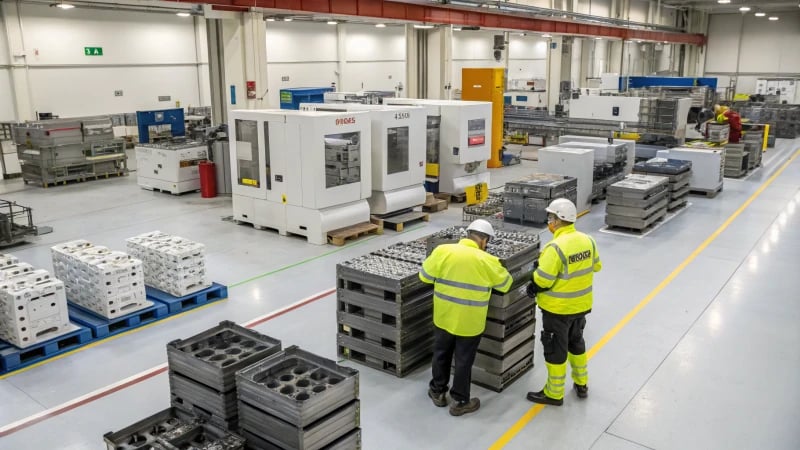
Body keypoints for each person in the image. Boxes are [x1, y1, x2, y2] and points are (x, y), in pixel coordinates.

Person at [420, 219, 512, 416]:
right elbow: (506, 284)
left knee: (441, 353)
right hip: (470, 322)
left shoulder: (443, 251)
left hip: (444, 316)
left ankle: (437, 391)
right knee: (463, 360)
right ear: (484, 241)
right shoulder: (486, 260)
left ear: (467, 234)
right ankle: (460, 401)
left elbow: (424, 276)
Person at [526, 198, 601, 406]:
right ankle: (581, 383)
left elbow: (543, 279)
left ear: (558, 220)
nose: (549, 221)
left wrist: (533, 281)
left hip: (558, 310)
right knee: (576, 343)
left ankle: (554, 393)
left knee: (555, 350)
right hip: (581, 307)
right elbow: (596, 266)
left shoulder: (555, 247)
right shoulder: (588, 240)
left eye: (551, 217)